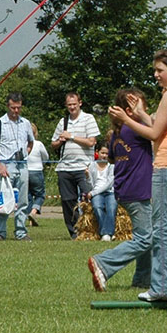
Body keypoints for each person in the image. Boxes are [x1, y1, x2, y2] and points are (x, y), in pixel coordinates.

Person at [109, 49, 167, 302]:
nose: (156, 75)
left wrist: (125, 119)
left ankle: (163, 287)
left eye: (160, 70)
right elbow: (162, 125)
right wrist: (142, 114)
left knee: (162, 229)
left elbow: (155, 134)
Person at [89, 88, 154, 292]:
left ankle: (143, 278)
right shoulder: (134, 129)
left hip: (126, 190)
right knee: (147, 238)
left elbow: (111, 159)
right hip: (137, 191)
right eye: (141, 106)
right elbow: (158, 130)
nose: (146, 110)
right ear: (129, 110)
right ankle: (104, 263)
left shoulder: (118, 133)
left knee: (145, 236)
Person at [0, 92, 35, 241]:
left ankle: (21, 231)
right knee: (4, 199)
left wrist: (25, 154)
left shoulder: (26, 123)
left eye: (18, 108)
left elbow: (31, 142)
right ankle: (1, 232)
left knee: (23, 200)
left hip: (22, 165)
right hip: (6, 165)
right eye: (13, 108)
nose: (16, 111)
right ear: (8, 106)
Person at [50, 92, 100, 239]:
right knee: (67, 202)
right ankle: (75, 233)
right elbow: (53, 144)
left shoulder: (88, 119)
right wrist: (60, 140)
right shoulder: (63, 121)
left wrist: (71, 136)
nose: (72, 107)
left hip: (84, 167)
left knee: (89, 199)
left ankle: (92, 230)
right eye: (69, 105)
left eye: (74, 104)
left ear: (80, 103)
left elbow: (92, 142)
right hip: (64, 167)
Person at [87, 145, 116, 241]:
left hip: (109, 191)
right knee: (97, 207)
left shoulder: (111, 166)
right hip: (96, 193)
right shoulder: (92, 166)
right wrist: (87, 177)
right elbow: (91, 184)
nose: (104, 156)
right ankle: (107, 232)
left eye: (107, 153)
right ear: (97, 152)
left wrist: (93, 193)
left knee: (111, 208)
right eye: (102, 153)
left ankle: (106, 233)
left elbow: (109, 183)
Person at [25, 139, 49, 227]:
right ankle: (34, 211)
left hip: (25, 171)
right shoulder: (39, 144)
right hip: (36, 171)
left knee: (28, 196)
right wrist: (42, 164)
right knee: (40, 195)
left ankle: (31, 220)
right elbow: (46, 157)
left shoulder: (23, 143)